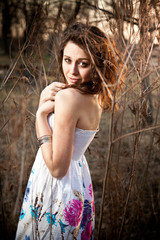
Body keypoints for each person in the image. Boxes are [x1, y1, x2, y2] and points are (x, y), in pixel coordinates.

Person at [15, 22, 124, 240]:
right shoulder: (94, 95)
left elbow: (57, 169)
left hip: (57, 188)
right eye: (67, 60)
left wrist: (40, 118)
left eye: (82, 63)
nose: (72, 71)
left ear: (96, 64)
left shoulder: (68, 97)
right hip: (78, 182)